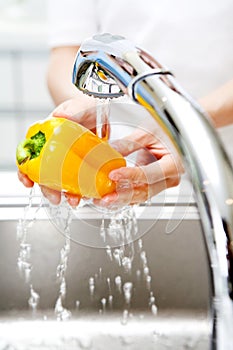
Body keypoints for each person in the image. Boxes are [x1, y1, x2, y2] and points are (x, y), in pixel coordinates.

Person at [18, 0, 233, 207]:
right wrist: (82, 103)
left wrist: (183, 126)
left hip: (225, 156)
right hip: (112, 157)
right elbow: (65, 54)